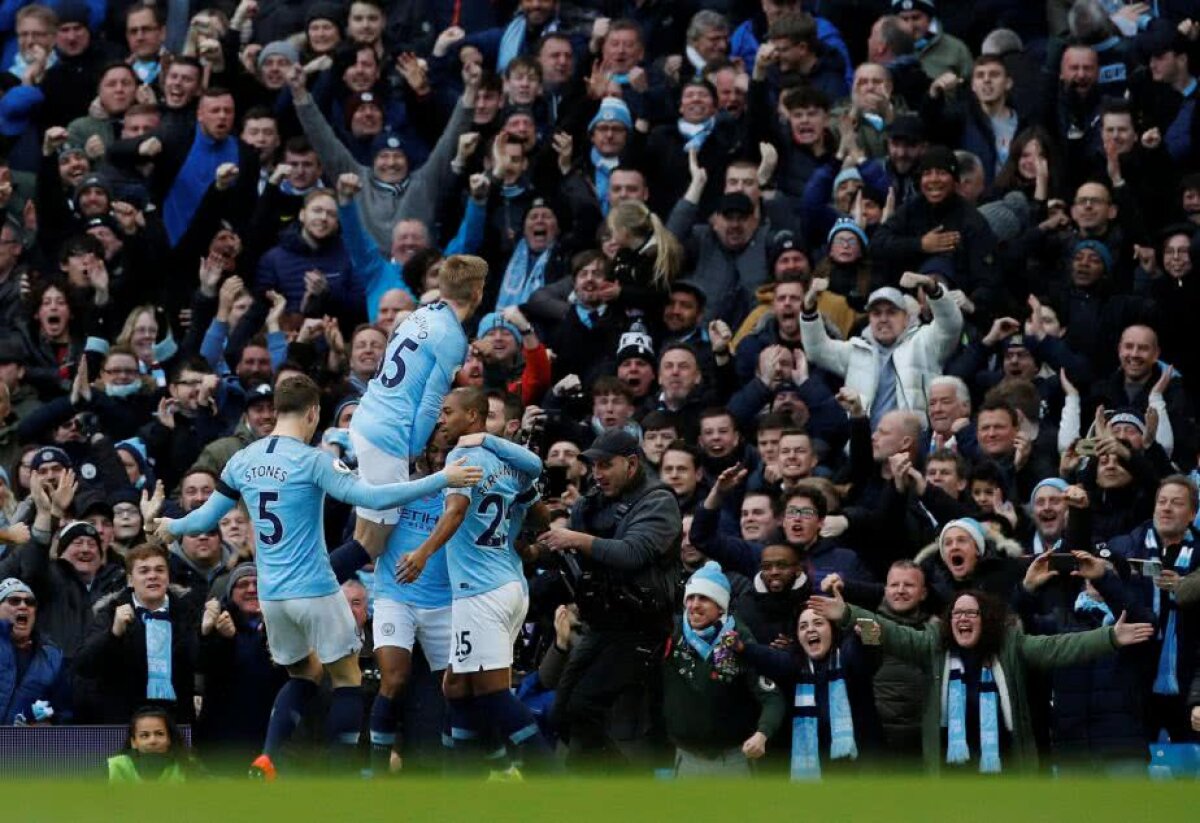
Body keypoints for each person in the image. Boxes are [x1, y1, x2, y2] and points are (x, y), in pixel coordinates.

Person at [150, 375, 483, 779]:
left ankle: (268, 757)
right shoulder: (312, 461)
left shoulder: (242, 460)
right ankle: (342, 774)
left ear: (275, 410)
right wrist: (442, 479)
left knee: (304, 673)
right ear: (313, 413)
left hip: (272, 596)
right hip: (315, 588)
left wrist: (174, 525)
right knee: (347, 678)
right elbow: (373, 498)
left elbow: (205, 518)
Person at [808, 586, 1155, 774]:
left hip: (1007, 770)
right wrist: (848, 614)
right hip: (949, 771)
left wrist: (1109, 637)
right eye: (956, 613)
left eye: (971, 613)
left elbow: (1060, 646)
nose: (962, 618)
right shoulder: (932, 646)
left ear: (986, 619)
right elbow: (892, 633)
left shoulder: (1011, 647)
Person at [394, 387, 548, 778]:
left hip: (479, 593)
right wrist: (524, 545)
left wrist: (423, 552)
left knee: (492, 692)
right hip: (510, 584)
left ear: (473, 416)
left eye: (448, 412)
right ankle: (475, 777)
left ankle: (547, 775)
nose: (441, 419)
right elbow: (540, 513)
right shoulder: (508, 463)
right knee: (455, 687)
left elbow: (457, 510)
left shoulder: (461, 457)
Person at [537, 428, 683, 768]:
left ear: (631, 464)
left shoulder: (659, 501)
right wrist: (535, 549)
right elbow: (565, 552)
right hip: (601, 621)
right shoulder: (592, 501)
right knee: (560, 714)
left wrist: (576, 538)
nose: (598, 474)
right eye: (593, 466)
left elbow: (633, 553)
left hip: (641, 627)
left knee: (583, 706)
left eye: (606, 465)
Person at [344, 255, 488, 562]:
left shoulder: (419, 314)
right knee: (371, 544)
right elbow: (430, 405)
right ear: (477, 292)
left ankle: (322, 596)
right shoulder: (451, 337)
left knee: (364, 533)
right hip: (388, 434)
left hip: (368, 415)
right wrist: (411, 453)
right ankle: (310, 590)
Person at [663, 561, 784, 776]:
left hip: (733, 760)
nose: (694, 605)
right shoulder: (672, 634)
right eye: (690, 598)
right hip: (686, 760)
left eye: (704, 598)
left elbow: (772, 698)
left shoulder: (739, 640)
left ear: (720, 606)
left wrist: (762, 734)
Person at [0, 576, 70, 725]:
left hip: (20, 746)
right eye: (14, 601)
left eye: (30, 602)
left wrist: (45, 725)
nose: (23, 606)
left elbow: (62, 714)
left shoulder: (52, 658)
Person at [107, 706, 191, 783]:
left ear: (169, 739)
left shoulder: (188, 766)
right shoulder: (114, 767)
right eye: (144, 735)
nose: (153, 740)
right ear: (134, 742)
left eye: (159, 734)